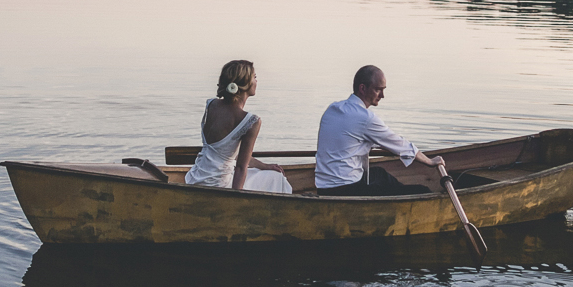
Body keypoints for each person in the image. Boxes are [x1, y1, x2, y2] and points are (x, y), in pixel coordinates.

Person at [313, 65, 449, 194]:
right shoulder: (365, 118)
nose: (382, 95)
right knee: (421, 191)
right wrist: (429, 161)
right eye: (378, 90)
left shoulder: (333, 108)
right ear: (362, 88)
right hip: (345, 189)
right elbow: (400, 144)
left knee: (379, 173)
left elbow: (350, 138)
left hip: (322, 186)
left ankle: (398, 194)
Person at [186, 60, 295, 194]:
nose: (256, 81)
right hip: (219, 184)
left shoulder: (211, 105)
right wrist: (235, 200)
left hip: (194, 178)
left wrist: (265, 166)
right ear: (245, 83)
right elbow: (240, 168)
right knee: (276, 178)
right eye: (254, 77)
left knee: (259, 172)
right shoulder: (251, 121)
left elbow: (228, 153)